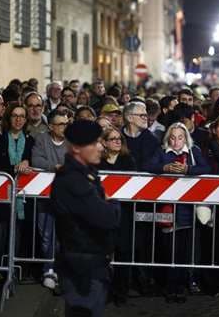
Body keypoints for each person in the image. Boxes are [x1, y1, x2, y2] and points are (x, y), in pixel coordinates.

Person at [51, 119, 121, 317]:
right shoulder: (73, 180)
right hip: (82, 269)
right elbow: (107, 218)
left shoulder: (85, 174)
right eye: (94, 143)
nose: (101, 147)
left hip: (91, 263)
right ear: (76, 148)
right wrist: (114, 205)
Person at [147, 122, 211, 303]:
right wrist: (164, 168)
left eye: (180, 137)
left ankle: (180, 286)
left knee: (184, 251)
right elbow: (148, 166)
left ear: (185, 138)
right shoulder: (162, 151)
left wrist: (188, 170)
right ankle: (170, 286)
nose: (176, 141)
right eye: (173, 137)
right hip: (168, 209)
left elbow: (206, 168)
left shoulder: (193, 151)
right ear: (168, 138)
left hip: (188, 210)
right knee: (170, 250)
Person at [0, 103, 34, 278]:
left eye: (22, 116)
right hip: (0, 195)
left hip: (22, 197)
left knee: (17, 235)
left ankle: (12, 269)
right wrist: (14, 167)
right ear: (8, 118)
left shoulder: (30, 141)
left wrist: (28, 161)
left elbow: (33, 162)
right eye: (15, 115)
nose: (19, 119)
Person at [32, 111, 70, 290]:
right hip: (45, 196)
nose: (64, 127)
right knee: (46, 235)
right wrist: (54, 166)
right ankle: (49, 268)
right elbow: (36, 159)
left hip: (67, 197)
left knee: (65, 235)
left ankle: (58, 269)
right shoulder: (41, 139)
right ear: (51, 126)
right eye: (60, 124)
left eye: (66, 123)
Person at [99, 127, 136, 304]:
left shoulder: (128, 160)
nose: (117, 141)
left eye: (119, 138)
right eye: (112, 139)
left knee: (123, 251)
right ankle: (104, 291)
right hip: (102, 213)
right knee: (103, 252)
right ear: (104, 142)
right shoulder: (97, 161)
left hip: (124, 213)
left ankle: (121, 292)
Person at [122, 101, 161, 172]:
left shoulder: (153, 140)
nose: (146, 118)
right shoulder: (117, 137)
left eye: (146, 115)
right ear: (129, 118)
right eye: (142, 115)